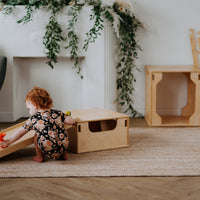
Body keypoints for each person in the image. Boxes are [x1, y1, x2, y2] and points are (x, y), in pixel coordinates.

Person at [0, 87, 76, 163]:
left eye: (29, 109)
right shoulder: (57, 113)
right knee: (61, 131)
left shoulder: (33, 119)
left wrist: (9, 141)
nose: (29, 111)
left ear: (35, 105)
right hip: (63, 144)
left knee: (36, 136)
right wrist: (73, 122)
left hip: (49, 147)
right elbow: (69, 120)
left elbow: (20, 132)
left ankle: (40, 156)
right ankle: (64, 154)